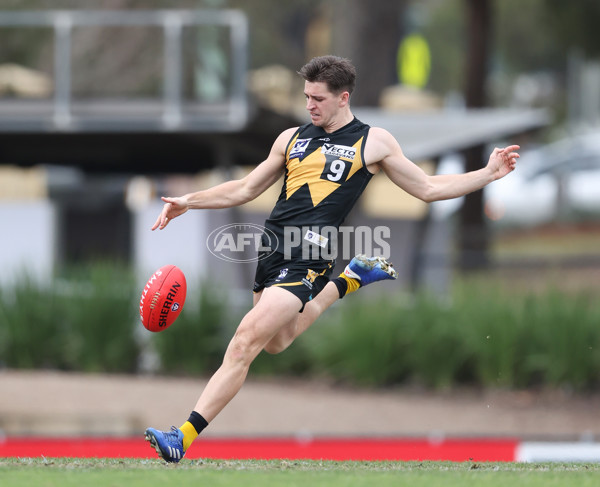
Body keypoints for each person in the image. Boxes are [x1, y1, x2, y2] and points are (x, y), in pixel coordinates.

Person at [144, 55, 520, 462]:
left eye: (318, 99)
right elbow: (245, 188)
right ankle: (348, 280)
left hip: (309, 255)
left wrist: (487, 174)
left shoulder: (373, 141)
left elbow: (427, 188)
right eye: (306, 97)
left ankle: (182, 436)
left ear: (343, 98)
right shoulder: (290, 138)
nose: (310, 105)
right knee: (276, 343)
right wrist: (188, 201)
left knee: (243, 343)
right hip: (272, 249)